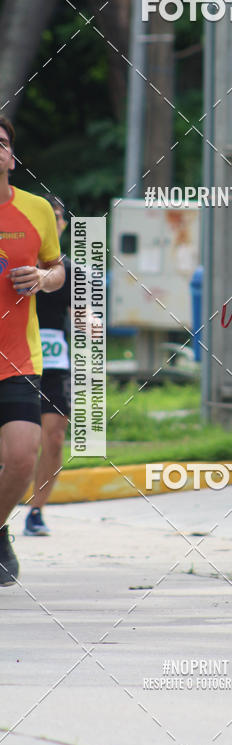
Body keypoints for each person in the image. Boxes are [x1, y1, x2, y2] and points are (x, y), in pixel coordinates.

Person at [0, 116, 65, 584]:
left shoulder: (38, 209)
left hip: (17, 357)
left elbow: (56, 269)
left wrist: (42, 280)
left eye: (1, 142)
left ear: (12, 157)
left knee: (23, 455)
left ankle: (0, 529)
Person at [23, 195, 71, 536]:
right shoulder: (13, 262)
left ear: (63, 225)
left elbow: (84, 319)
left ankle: (36, 511)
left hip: (54, 363)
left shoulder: (71, 272)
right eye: (45, 217)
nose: (51, 223)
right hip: (15, 359)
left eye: (56, 217)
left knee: (53, 438)